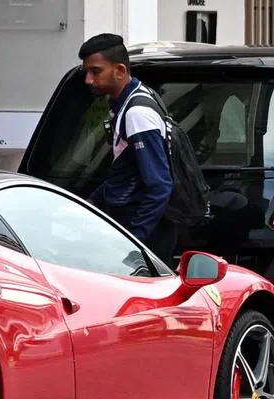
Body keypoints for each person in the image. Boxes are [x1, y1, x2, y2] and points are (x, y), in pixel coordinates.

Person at [78, 33, 204, 262]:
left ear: (120, 71)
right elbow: (124, 168)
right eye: (86, 72)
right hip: (136, 224)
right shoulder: (136, 96)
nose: (88, 80)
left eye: (95, 72)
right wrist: (94, 200)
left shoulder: (137, 113)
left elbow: (159, 185)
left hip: (144, 231)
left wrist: (134, 240)